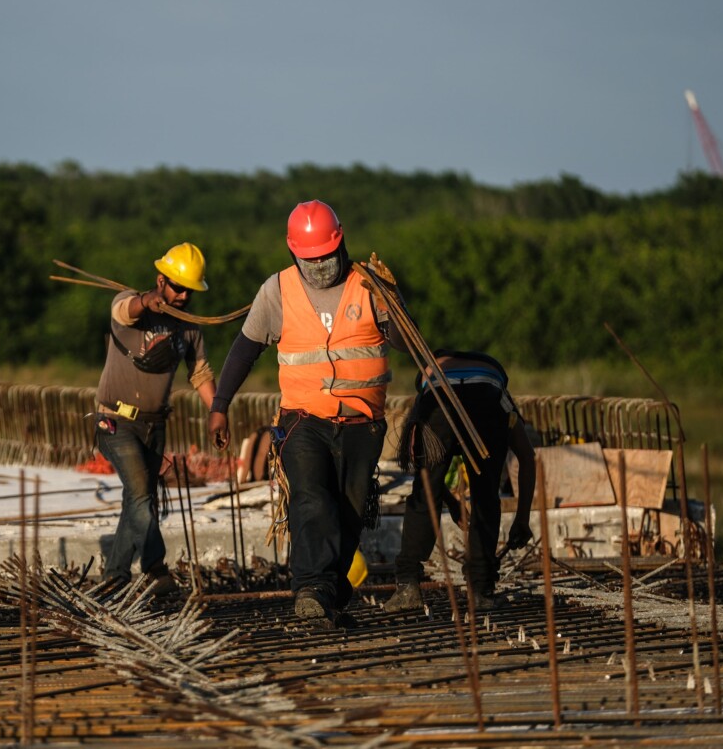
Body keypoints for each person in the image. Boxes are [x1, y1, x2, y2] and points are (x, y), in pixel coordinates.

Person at [208, 201, 400, 626]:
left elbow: (405, 338)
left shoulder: (367, 285)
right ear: (294, 253)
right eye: (308, 261)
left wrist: (393, 299)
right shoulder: (277, 290)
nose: (318, 269)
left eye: (325, 258)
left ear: (341, 241)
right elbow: (244, 350)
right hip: (302, 419)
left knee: (349, 510)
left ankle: (330, 593)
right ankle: (310, 591)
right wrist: (220, 405)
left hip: (362, 422)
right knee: (311, 498)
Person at [96, 242, 217, 595]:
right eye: (177, 287)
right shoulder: (132, 305)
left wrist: (217, 413)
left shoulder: (189, 327)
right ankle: (155, 567)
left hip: (154, 425)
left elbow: (201, 372)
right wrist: (145, 301)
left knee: (138, 499)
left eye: (189, 291)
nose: (182, 296)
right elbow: (124, 310)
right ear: (160, 280)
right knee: (140, 496)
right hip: (115, 422)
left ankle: (114, 577)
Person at [385, 349, 536, 613]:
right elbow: (527, 457)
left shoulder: (425, 390)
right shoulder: (499, 391)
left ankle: (408, 584)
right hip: (486, 403)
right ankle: (479, 589)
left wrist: (449, 501)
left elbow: (425, 475)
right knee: (486, 495)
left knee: (424, 492)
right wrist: (522, 519)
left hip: (438, 399)